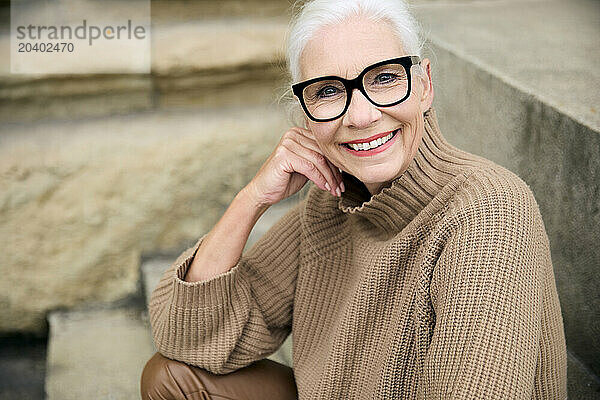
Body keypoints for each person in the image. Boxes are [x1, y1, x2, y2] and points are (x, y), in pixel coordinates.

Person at [141, 0, 567, 398]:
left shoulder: (489, 211)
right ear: (305, 114)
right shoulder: (333, 202)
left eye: (384, 78)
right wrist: (253, 198)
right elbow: (187, 338)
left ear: (425, 86)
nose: (360, 116)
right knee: (169, 379)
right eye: (327, 91)